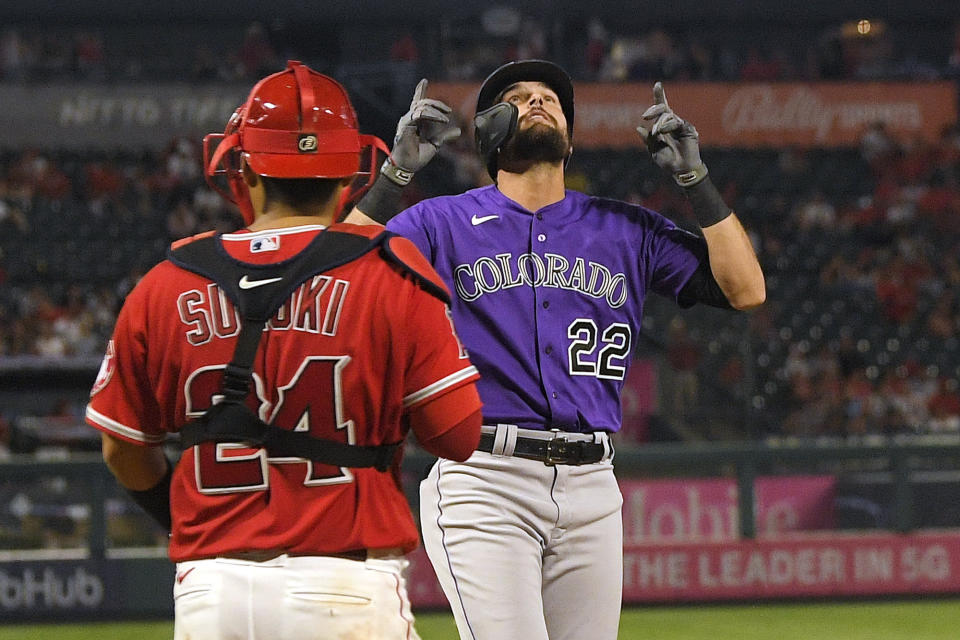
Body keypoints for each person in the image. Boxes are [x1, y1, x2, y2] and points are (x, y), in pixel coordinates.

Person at [347, 58, 765, 639]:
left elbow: (746, 290)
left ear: (570, 137)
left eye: (550, 98)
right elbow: (335, 274)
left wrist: (696, 182)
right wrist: (394, 174)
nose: (539, 101)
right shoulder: (442, 221)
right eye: (517, 97)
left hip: (593, 483)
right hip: (486, 478)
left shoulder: (626, 228)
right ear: (488, 134)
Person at [85, 60, 483, 640]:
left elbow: (122, 452)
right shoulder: (392, 272)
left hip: (211, 589)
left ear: (241, 167)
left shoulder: (164, 282)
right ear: (351, 169)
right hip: (344, 583)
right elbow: (458, 437)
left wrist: (191, 522)